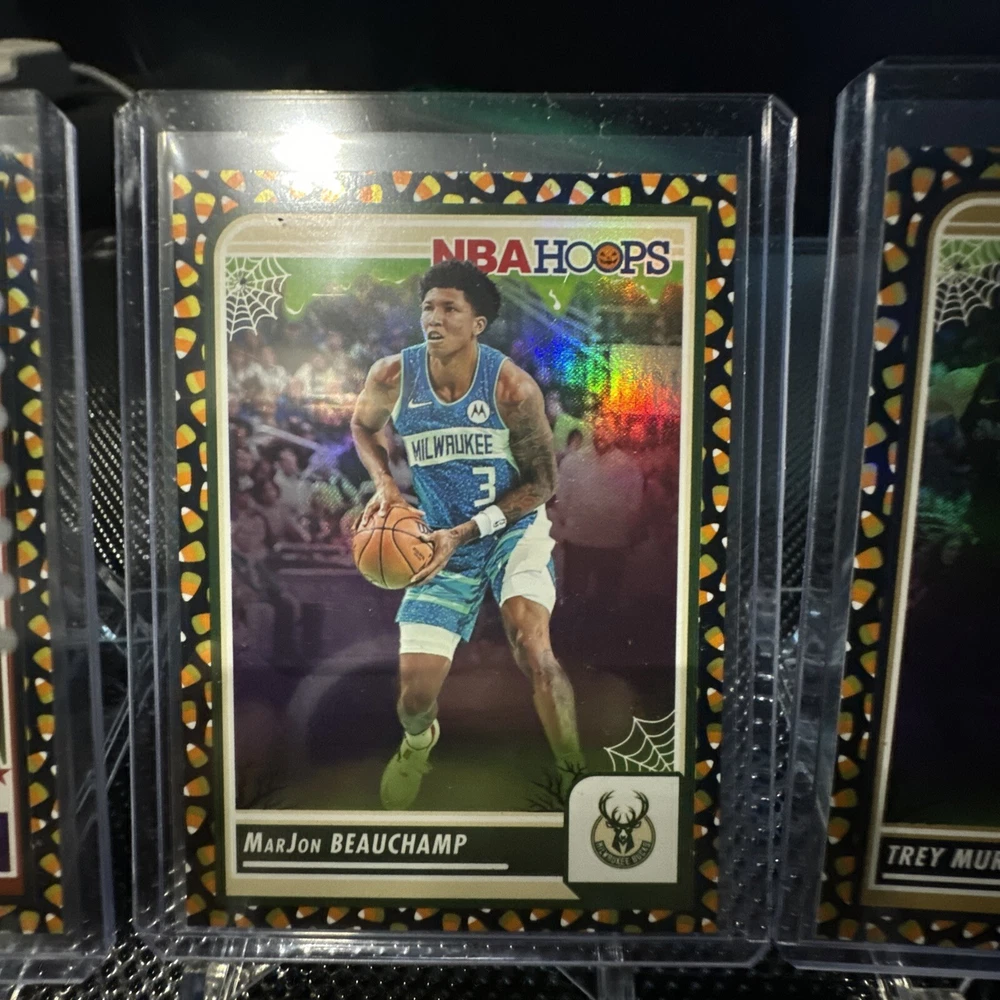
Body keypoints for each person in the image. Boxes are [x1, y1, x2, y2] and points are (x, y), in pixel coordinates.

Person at [351, 259, 582, 810]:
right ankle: (418, 744)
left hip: (511, 530)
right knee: (414, 700)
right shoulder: (392, 376)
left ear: (477, 323)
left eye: (450, 308)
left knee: (533, 645)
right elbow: (362, 425)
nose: (434, 317)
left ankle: (577, 779)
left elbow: (544, 482)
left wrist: (471, 529)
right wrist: (385, 482)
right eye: (428, 307)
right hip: (437, 539)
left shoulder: (511, 387)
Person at [554, 414, 646, 614]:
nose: (601, 433)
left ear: (616, 433)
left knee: (606, 603)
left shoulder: (628, 466)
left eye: (607, 428)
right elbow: (562, 500)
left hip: (612, 545)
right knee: (573, 601)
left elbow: (634, 506)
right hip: (578, 542)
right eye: (597, 428)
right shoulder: (572, 462)